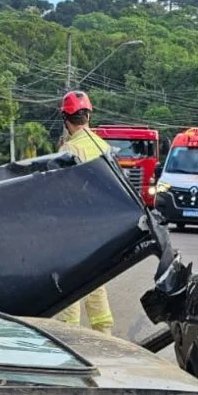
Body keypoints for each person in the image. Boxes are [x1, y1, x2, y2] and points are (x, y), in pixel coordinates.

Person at [54, 90, 115, 335]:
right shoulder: (105, 147)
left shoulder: (68, 150)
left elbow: (60, 195)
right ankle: (104, 335)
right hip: (102, 229)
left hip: (74, 228)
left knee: (72, 284)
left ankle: (70, 337)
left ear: (66, 120)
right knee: (96, 282)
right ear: (88, 116)